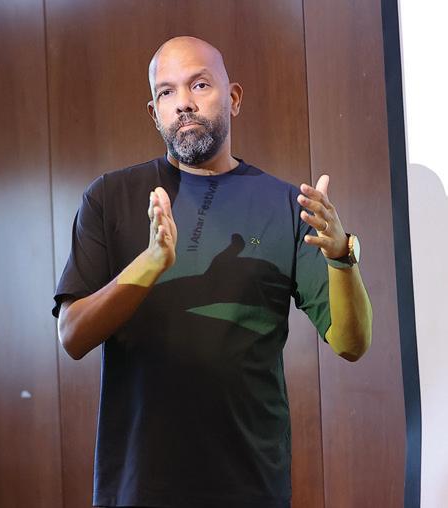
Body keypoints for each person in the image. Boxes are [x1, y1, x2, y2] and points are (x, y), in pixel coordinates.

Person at [52, 36, 372, 508]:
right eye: (166, 92)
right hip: (138, 486)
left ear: (234, 98)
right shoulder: (109, 198)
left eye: (199, 85)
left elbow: (351, 343)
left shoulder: (289, 205)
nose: (183, 102)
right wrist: (151, 262)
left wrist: (341, 256)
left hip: (251, 484)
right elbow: (73, 335)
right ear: (154, 112)